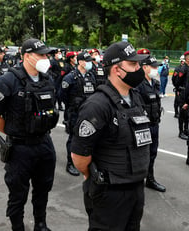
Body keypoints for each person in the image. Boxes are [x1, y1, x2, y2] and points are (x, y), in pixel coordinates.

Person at [70, 41, 150, 230]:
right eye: (133, 64)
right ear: (117, 70)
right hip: (109, 192)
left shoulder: (135, 98)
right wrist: (96, 177)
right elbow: (79, 156)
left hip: (135, 186)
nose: (139, 69)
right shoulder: (97, 106)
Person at [0, 38, 58, 230]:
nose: (46, 58)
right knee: (18, 193)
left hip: (44, 142)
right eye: (41, 55)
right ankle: (17, 226)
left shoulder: (47, 78)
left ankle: (40, 224)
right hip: (20, 147)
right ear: (27, 56)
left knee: (43, 188)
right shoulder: (6, 81)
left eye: (47, 54)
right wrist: (15, 131)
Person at [61, 51, 96, 176]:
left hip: (89, 113)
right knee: (74, 138)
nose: (90, 63)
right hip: (75, 113)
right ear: (80, 62)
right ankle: (70, 163)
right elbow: (63, 96)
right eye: (87, 61)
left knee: (89, 136)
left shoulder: (91, 76)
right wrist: (73, 106)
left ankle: (87, 161)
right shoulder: (70, 77)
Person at [135, 53, 166, 192]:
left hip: (154, 123)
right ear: (145, 67)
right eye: (153, 67)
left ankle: (150, 178)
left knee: (152, 153)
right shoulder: (138, 84)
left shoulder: (156, 83)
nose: (156, 69)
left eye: (156, 67)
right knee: (141, 154)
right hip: (143, 125)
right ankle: (137, 180)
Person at [177, 51, 189, 140]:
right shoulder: (183, 68)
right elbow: (177, 81)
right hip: (183, 92)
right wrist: (179, 89)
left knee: (188, 113)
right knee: (182, 113)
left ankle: (186, 129)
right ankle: (181, 131)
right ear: (186, 58)